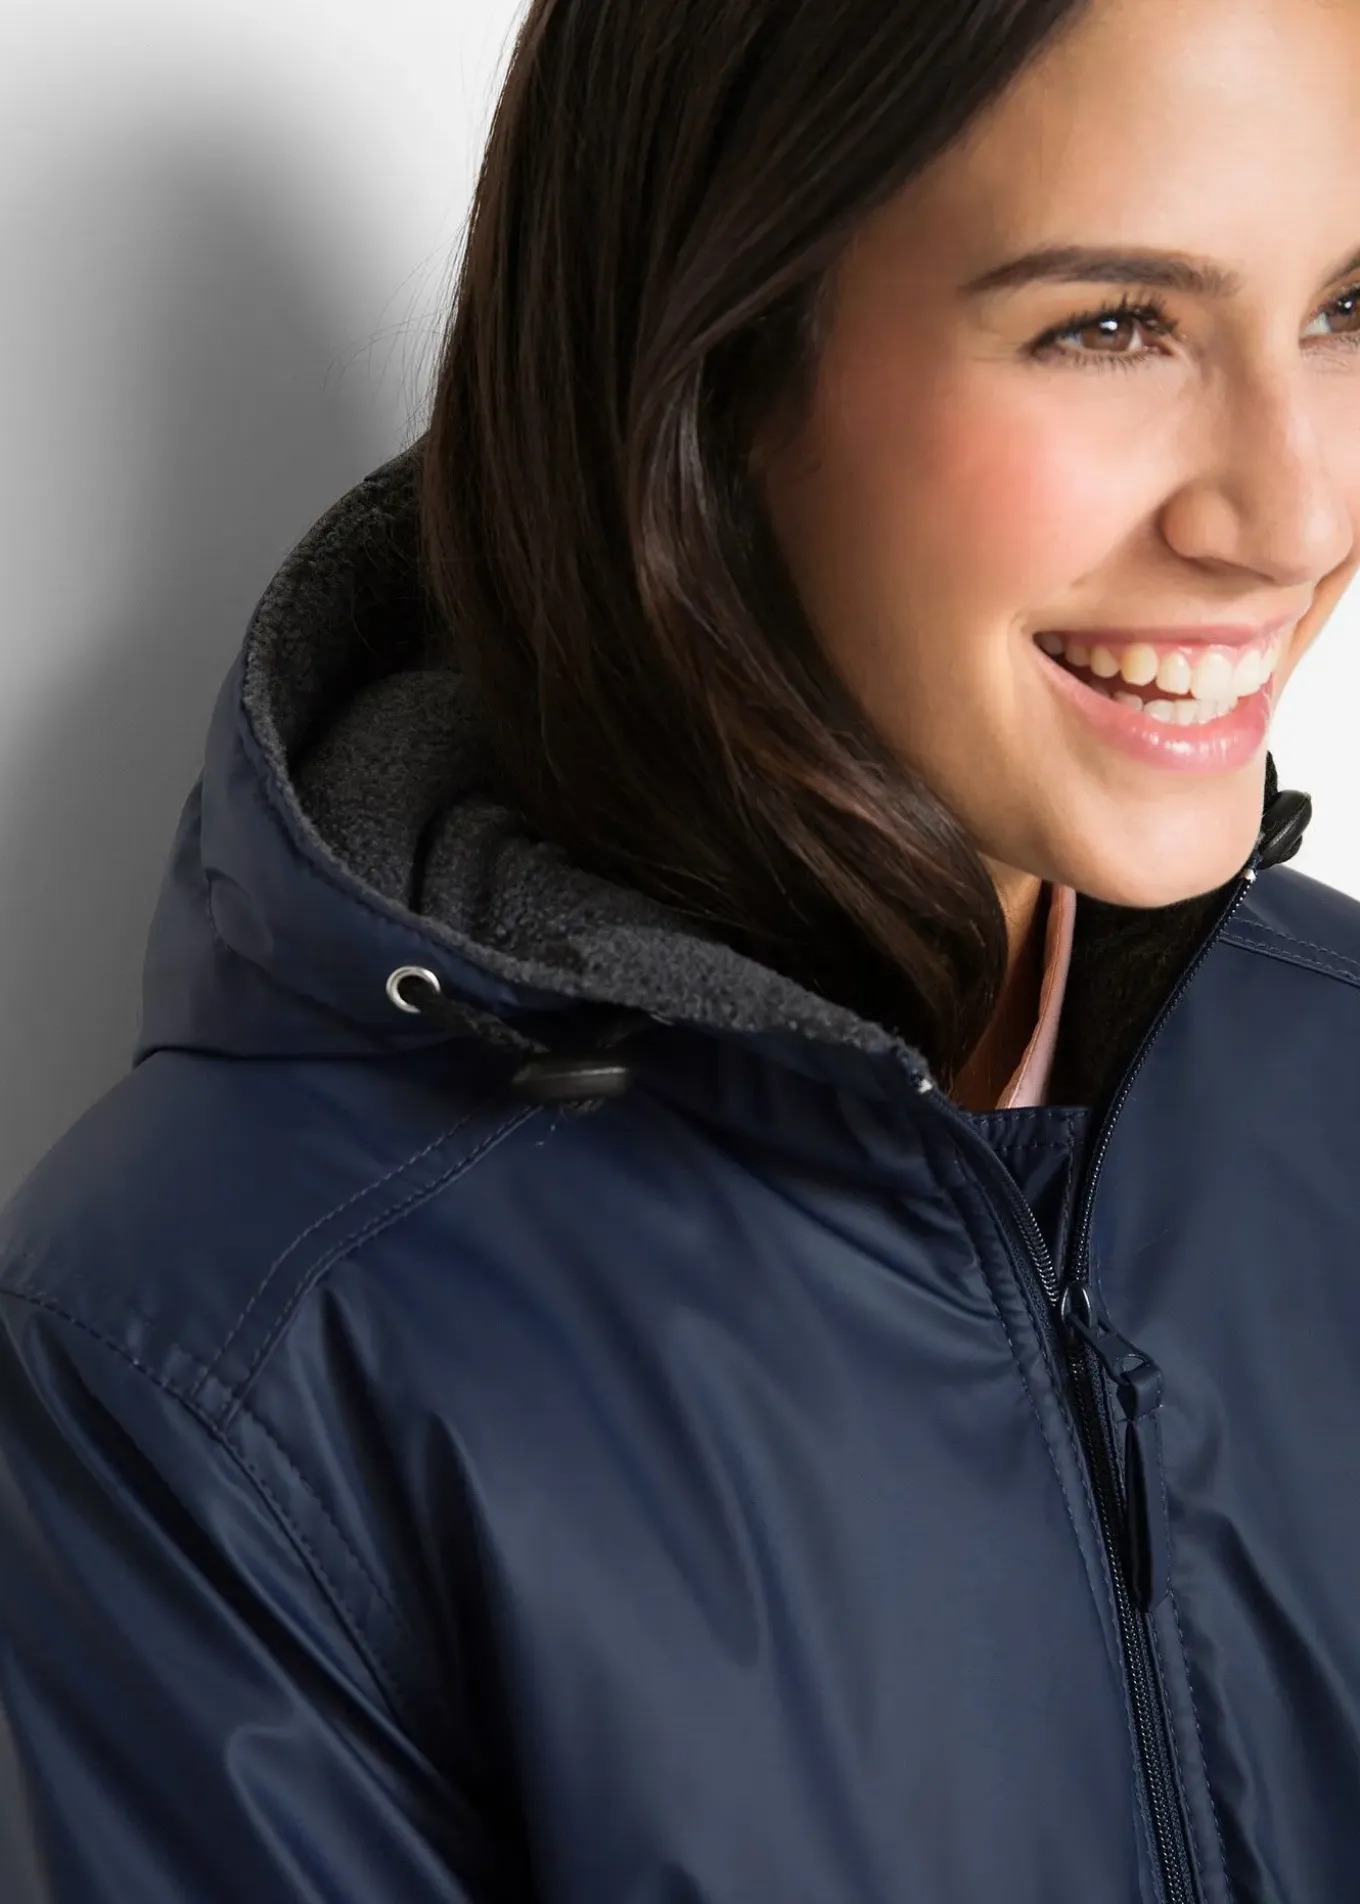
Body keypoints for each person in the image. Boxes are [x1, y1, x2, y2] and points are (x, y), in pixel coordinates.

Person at [2, 0, 1359, 1895]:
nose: (1296, 512)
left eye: (1348, 309)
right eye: (1112, 326)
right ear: (712, 372)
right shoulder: (227, 1345)